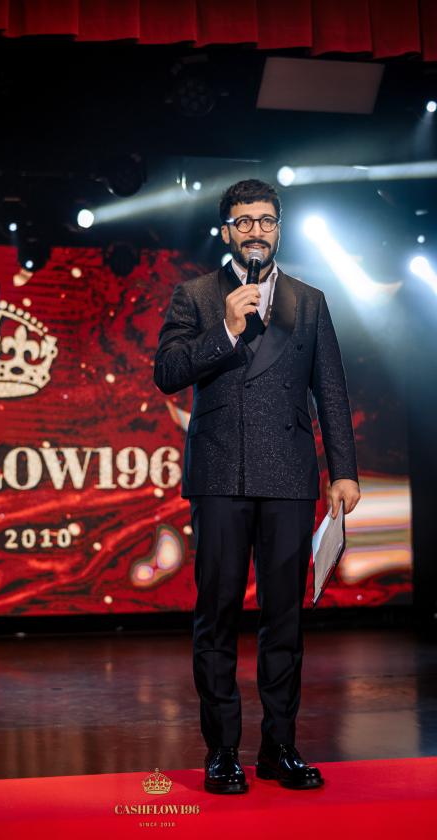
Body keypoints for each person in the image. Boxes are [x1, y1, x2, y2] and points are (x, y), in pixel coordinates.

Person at [154, 179, 360, 794]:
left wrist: (343, 470)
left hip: (289, 476)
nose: (256, 232)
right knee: (216, 615)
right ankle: (222, 752)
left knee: (284, 620)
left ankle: (279, 748)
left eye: (266, 221)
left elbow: (330, 388)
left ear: (279, 228)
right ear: (226, 232)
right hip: (220, 474)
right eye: (243, 222)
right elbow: (167, 372)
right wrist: (224, 328)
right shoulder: (196, 296)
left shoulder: (309, 301)